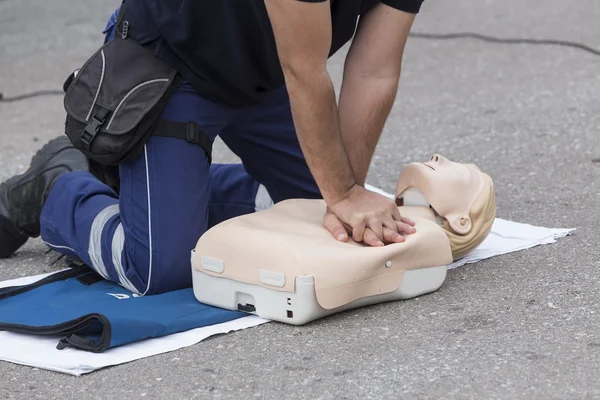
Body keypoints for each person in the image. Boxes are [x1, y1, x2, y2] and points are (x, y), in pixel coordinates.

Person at [0, 0, 424, 295]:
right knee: (158, 269)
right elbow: (304, 70)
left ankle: (140, 185)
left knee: (320, 218)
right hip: (175, 62)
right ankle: (57, 187)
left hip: (268, 72)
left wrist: (346, 198)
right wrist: (345, 194)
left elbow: (374, 72)